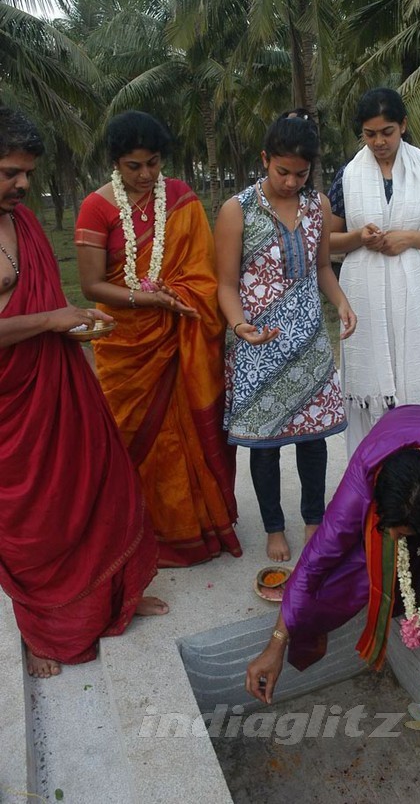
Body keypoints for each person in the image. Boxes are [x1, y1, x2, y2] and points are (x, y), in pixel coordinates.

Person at [0, 107, 167, 679]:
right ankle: (45, 632)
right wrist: (50, 320)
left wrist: (73, 323)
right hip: (11, 413)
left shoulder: (21, 223)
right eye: (9, 173)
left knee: (103, 489)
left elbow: (43, 308)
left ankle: (116, 596)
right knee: (39, 522)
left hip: (59, 386)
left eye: (26, 173)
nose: (22, 184)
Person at [245, 406, 420, 732]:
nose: (391, 538)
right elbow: (316, 560)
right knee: (346, 570)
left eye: (401, 535)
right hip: (393, 439)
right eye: (389, 529)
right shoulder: (365, 474)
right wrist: (276, 644)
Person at [76, 111, 241, 567]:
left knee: (186, 434)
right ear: (115, 163)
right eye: (134, 166)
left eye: (153, 163)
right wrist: (150, 301)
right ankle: (135, 535)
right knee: (127, 438)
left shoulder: (180, 198)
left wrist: (178, 298)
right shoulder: (98, 206)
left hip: (179, 337)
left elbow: (203, 275)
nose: (146, 175)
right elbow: (91, 287)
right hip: (126, 346)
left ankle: (199, 527)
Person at [214, 111, 356, 563]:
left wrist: (342, 302)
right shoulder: (237, 209)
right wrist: (240, 326)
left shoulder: (320, 207)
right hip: (257, 344)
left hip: (309, 342)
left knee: (313, 439)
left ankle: (314, 518)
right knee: (266, 442)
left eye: (301, 173)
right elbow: (226, 284)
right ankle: (275, 526)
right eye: (282, 172)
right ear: (265, 159)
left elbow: (319, 269)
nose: (292, 182)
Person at [328, 88, 420, 456]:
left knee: (419, 377)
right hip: (365, 298)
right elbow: (327, 242)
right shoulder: (348, 176)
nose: (379, 141)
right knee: (372, 392)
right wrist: (358, 236)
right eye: (370, 134)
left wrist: (409, 238)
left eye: (387, 131)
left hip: (417, 293)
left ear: (403, 125)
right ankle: (374, 473)